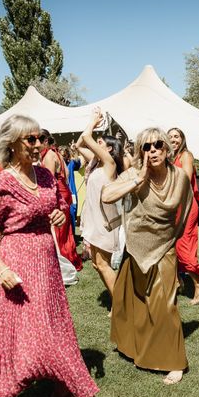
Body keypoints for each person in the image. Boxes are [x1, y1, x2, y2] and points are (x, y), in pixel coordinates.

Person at [0, 115, 98, 397]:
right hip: (17, 264)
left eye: (40, 138)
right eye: (30, 140)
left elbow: (58, 202)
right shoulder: (0, 183)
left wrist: (58, 212)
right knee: (18, 339)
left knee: (54, 329)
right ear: (11, 143)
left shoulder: (43, 175)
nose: (38, 144)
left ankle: (61, 392)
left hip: (47, 264)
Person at [103, 127, 192, 385]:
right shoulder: (134, 174)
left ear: (167, 148)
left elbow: (184, 214)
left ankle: (175, 362)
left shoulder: (180, 177)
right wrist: (137, 179)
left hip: (164, 246)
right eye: (146, 146)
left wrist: (172, 241)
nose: (152, 151)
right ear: (140, 151)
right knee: (135, 302)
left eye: (157, 145)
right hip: (136, 246)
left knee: (165, 305)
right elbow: (106, 196)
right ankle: (135, 348)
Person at [74, 109, 124, 306]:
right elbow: (80, 143)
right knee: (96, 264)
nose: (96, 142)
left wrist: (93, 121)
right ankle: (117, 299)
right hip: (92, 218)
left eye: (101, 142)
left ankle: (122, 305)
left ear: (110, 149)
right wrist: (92, 127)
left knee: (103, 264)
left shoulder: (110, 163)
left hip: (104, 220)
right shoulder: (95, 162)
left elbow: (86, 136)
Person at [168, 127, 199, 305]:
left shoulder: (186, 155)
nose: (173, 139)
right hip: (172, 206)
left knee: (183, 246)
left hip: (185, 206)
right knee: (172, 246)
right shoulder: (170, 157)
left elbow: (185, 179)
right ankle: (178, 281)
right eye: (170, 137)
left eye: (176, 136)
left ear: (182, 139)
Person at [42, 131, 82, 271]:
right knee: (65, 229)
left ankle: (63, 262)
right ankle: (70, 258)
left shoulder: (48, 155)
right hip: (65, 191)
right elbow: (66, 173)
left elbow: (49, 181)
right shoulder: (57, 153)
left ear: (45, 141)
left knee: (59, 228)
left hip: (57, 193)